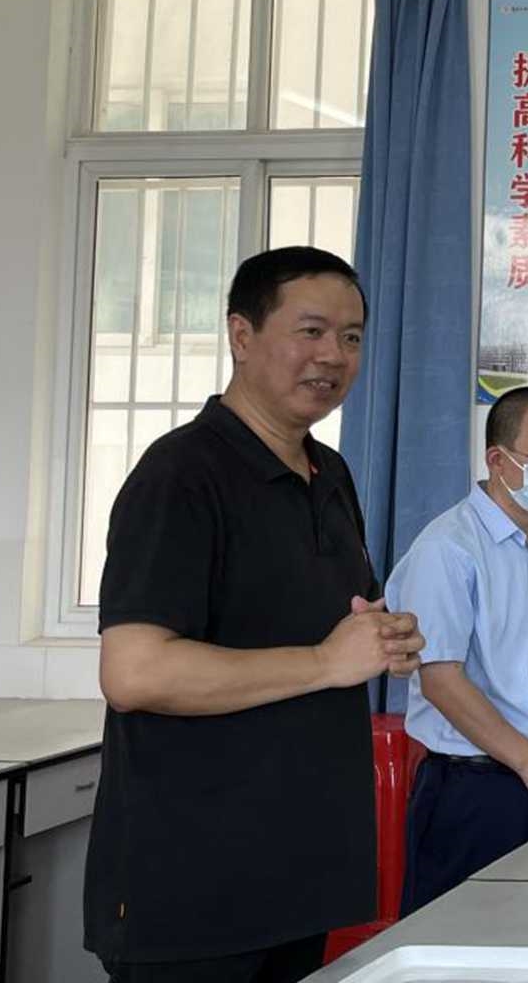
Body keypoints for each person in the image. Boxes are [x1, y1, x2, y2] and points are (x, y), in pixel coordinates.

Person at [86, 247, 425, 983]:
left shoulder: (328, 471)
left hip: (298, 878)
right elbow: (135, 673)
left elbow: (321, 625)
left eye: (352, 337)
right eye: (311, 331)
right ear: (241, 335)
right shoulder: (181, 475)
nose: (333, 356)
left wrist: (381, 637)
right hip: (195, 892)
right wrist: (325, 662)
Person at [387, 386, 528, 913]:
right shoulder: (447, 548)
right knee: (464, 937)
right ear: (497, 460)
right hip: (476, 786)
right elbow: (441, 680)